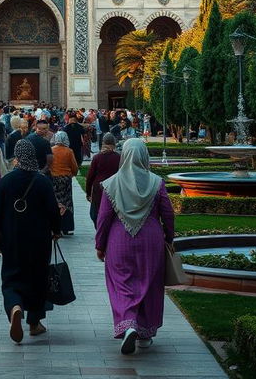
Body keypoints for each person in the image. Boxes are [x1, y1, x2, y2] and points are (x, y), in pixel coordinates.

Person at [95, 138, 175, 355]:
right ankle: (145, 334)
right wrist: (169, 236)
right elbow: (167, 213)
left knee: (123, 284)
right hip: (151, 240)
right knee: (148, 284)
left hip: (119, 240)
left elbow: (103, 218)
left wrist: (100, 245)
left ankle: (128, 324)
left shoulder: (112, 183)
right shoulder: (156, 182)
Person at [0, 140, 61, 344]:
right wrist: (56, 230)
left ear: (17, 157)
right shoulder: (42, 181)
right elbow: (52, 210)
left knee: (11, 277)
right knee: (38, 278)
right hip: (38, 240)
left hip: (12, 239)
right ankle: (34, 323)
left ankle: (15, 306)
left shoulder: (6, 181)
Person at [85, 133, 121, 225]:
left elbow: (90, 177)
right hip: (114, 187)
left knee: (95, 212)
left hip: (99, 188)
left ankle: (100, 229)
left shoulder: (97, 157)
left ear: (103, 143)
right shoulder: (119, 157)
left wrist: (88, 193)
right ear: (114, 143)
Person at [51, 130, 79, 235]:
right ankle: (66, 227)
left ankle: (55, 227)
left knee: (56, 202)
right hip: (66, 179)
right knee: (67, 202)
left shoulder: (51, 150)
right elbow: (74, 167)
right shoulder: (69, 151)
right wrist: (72, 174)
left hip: (54, 179)